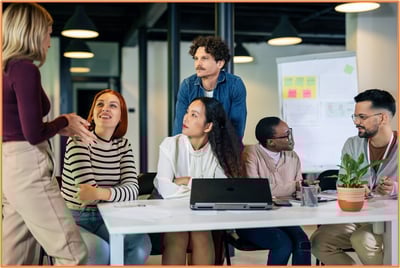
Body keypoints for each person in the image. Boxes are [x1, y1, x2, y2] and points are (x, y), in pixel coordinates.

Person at [1, 3, 97, 265]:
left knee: (16, 257)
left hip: (10, 166)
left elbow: (19, 127)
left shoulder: (7, 68)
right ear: (31, 32)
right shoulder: (25, 70)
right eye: (47, 33)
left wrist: (60, 126)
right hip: (28, 167)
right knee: (73, 254)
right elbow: (33, 134)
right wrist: (63, 120)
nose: (49, 42)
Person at [61, 89, 152, 264]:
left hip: (110, 216)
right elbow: (87, 195)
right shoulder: (78, 140)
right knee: (100, 250)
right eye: (100, 104)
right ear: (93, 114)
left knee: (140, 244)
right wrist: (115, 193)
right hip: (76, 219)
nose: (105, 108)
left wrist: (101, 193)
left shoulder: (123, 145)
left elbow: (133, 190)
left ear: (120, 117)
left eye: (113, 105)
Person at [310, 89, 398, 265]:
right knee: (319, 242)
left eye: (362, 117)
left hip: (392, 220)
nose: (356, 122)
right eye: (355, 116)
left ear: (382, 118)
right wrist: (354, 189)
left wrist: (395, 188)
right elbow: (343, 181)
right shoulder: (352, 144)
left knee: (362, 239)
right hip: (360, 216)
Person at [154, 97, 243, 264]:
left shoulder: (219, 151)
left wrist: (186, 181)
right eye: (187, 112)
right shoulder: (170, 144)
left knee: (201, 232)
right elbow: (164, 188)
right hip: (173, 210)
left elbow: (219, 191)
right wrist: (201, 190)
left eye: (194, 115)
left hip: (204, 212)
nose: (185, 118)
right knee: (177, 235)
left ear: (208, 126)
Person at [235, 117, 311, 265]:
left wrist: (293, 188)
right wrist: (294, 186)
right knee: (283, 244)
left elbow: (300, 191)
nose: (291, 139)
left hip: (286, 218)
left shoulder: (292, 156)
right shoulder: (250, 153)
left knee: (303, 243)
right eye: (285, 135)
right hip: (254, 221)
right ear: (271, 142)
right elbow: (257, 190)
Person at [173, 35, 247, 139]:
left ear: (220, 63)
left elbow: (237, 126)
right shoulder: (187, 86)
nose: (198, 64)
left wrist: (230, 152)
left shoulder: (235, 84)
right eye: (196, 59)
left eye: (204, 58)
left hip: (223, 144)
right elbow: (180, 125)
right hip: (194, 144)